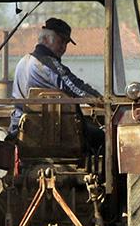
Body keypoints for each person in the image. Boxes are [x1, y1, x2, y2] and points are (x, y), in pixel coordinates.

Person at [8, 18, 103, 149]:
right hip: (46, 129)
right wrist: (102, 101)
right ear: (46, 39)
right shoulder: (47, 63)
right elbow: (75, 87)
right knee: (102, 137)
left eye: (66, 43)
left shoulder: (23, 61)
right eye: (61, 41)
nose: (64, 48)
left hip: (21, 128)